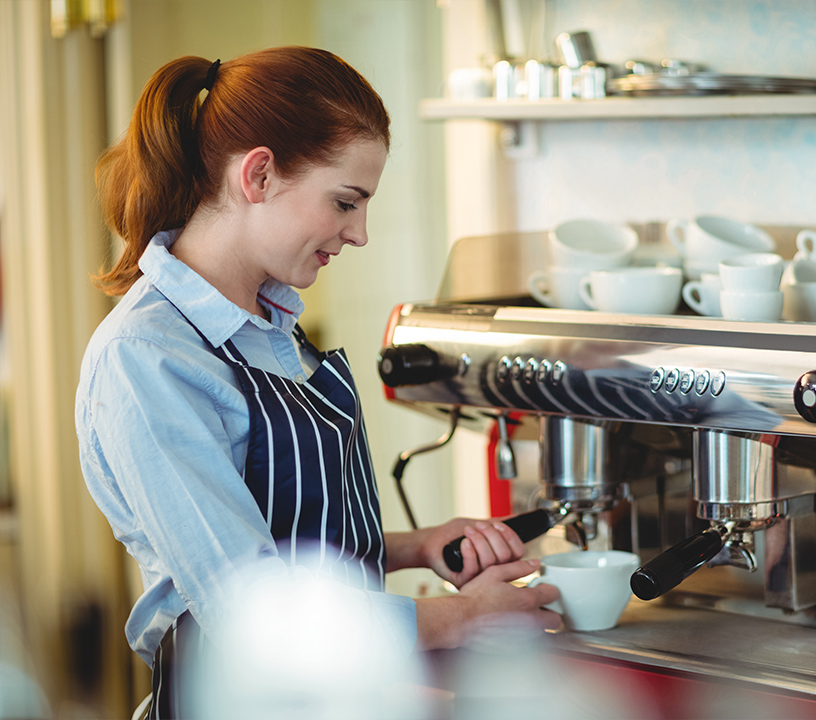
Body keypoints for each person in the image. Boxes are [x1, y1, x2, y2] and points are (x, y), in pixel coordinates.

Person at [75, 46, 559, 717]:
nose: (359, 233)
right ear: (260, 175)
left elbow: (286, 541)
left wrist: (418, 548)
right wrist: (462, 617)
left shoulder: (268, 326)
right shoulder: (148, 358)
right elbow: (254, 608)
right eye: (345, 202)